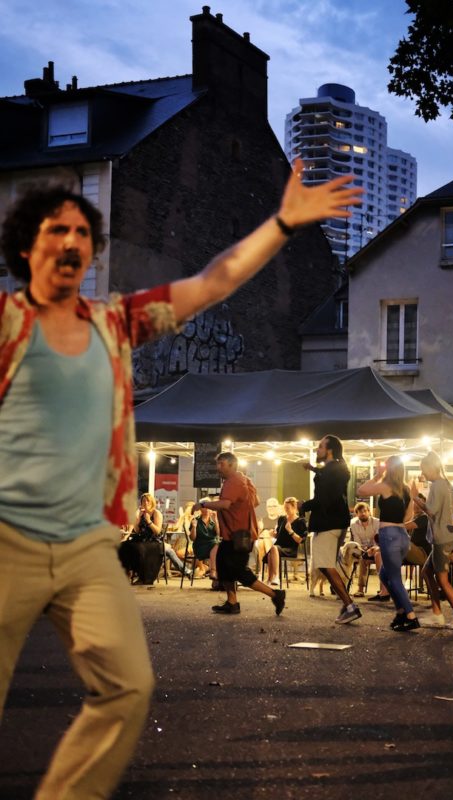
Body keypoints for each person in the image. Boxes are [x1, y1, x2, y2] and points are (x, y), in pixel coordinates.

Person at [0, 162, 362, 798]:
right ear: (28, 245)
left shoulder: (113, 323)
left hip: (86, 541)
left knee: (128, 686)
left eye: (84, 232)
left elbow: (211, 281)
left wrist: (283, 223)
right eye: (60, 229)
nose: (75, 242)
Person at [192, 452, 286, 615]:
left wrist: (203, 504)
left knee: (239, 572)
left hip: (238, 534)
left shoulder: (233, 481)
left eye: (221, 464)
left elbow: (225, 504)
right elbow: (255, 501)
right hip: (234, 534)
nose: (217, 467)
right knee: (222, 566)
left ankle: (275, 594)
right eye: (217, 464)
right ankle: (232, 602)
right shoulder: (244, 479)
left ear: (232, 465)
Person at [300, 435, 362, 625]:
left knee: (326, 565)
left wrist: (304, 505)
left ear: (330, 450)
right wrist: (313, 468)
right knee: (325, 565)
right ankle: (346, 604)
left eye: (320, 447)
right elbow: (327, 478)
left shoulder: (332, 470)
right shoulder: (335, 468)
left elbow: (324, 498)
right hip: (334, 523)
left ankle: (349, 605)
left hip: (328, 523)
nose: (317, 450)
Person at [359, 457, 420, 632]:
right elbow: (408, 517)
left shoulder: (386, 485)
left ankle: (411, 616)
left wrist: (377, 475)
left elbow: (361, 490)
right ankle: (400, 611)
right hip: (402, 535)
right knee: (385, 575)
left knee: (394, 578)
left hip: (389, 535)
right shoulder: (406, 489)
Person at [411, 452, 453, 630]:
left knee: (442, 579)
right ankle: (437, 614)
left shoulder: (437, 485)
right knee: (427, 572)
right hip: (446, 536)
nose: (423, 473)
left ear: (431, 467)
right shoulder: (444, 484)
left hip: (443, 538)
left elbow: (431, 511)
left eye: (424, 469)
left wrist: (415, 497)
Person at [340, 502, 381, 597]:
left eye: (365, 511)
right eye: (360, 512)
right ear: (356, 514)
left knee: (379, 557)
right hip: (362, 549)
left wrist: (373, 549)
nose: (363, 513)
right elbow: (357, 541)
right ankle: (360, 589)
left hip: (376, 548)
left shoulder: (377, 522)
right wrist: (364, 549)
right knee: (362, 558)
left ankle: (383, 589)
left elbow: (378, 539)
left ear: (369, 512)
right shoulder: (353, 524)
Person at [264, 497, 307, 586]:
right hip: (279, 546)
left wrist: (290, 531)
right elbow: (278, 535)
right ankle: (269, 579)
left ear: (294, 508)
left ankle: (276, 577)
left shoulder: (301, 521)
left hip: (290, 549)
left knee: (273, 549)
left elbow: (300, 540)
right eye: (284, 508)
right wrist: (273, 534)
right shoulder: (282, 519)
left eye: (288, 508)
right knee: (272, 550)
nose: (286, 510)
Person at [190, 504, 219, 580]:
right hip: (200, 546)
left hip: (213, 546)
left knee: (221, 547)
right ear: (200, 509)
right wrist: (194, 527)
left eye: (208, 507)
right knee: (218, 547)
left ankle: (216, 576)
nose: (206, 509)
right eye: (204, 507)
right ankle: (213, 571)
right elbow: (192, 538)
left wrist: (216, 520)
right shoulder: (196, 520)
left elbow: (219, 534)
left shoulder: (214, 520)